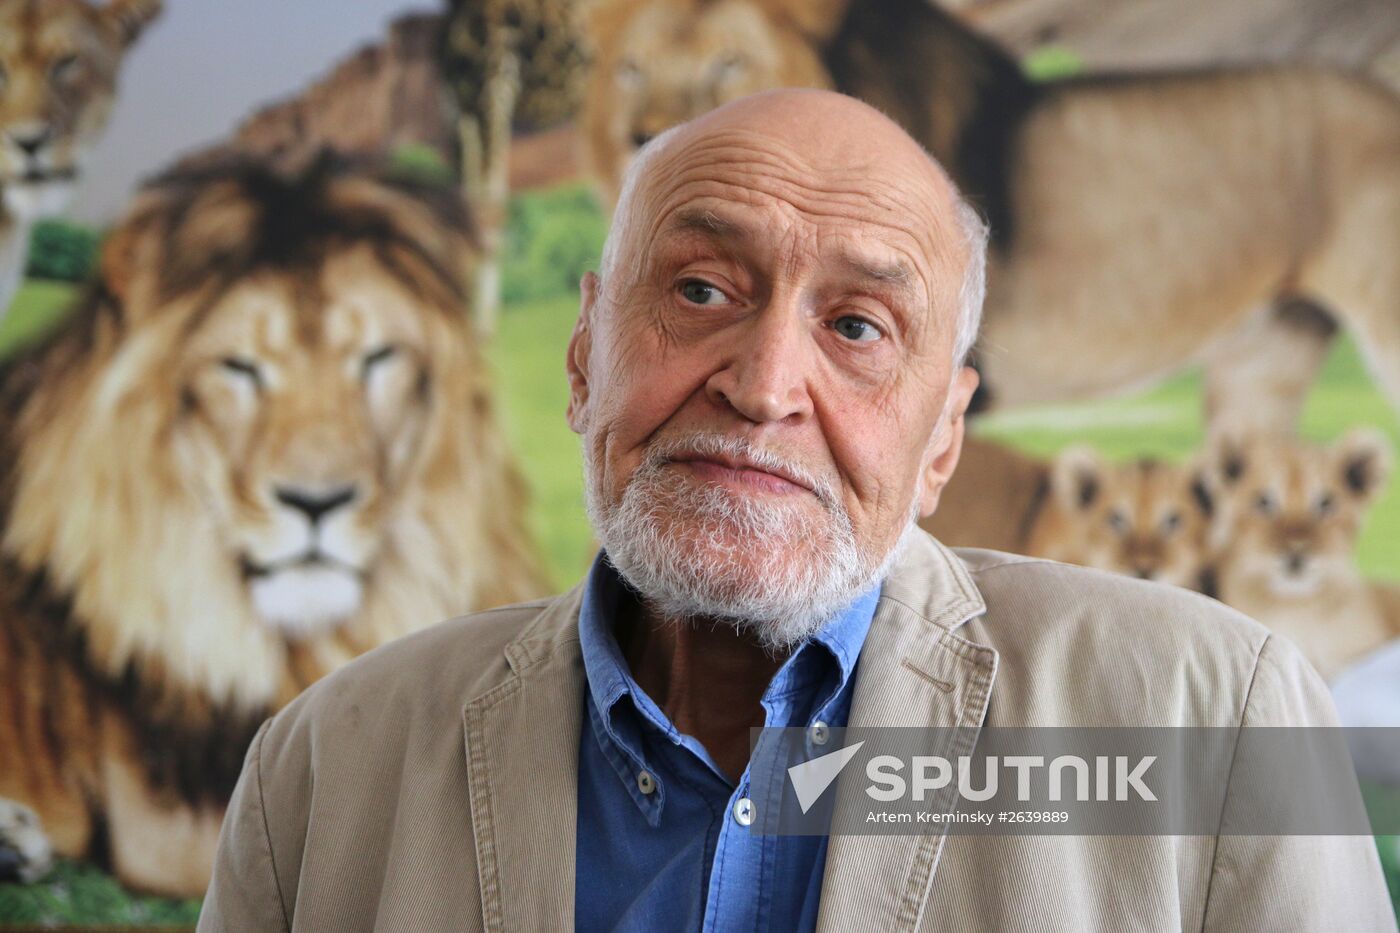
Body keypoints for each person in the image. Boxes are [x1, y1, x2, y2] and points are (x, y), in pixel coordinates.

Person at [197, 90, 1396, 932]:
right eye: (701, 288)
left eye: (858, 327)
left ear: (941, 441)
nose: (764, 384)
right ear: (581, 360)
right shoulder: (323, 771)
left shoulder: (1213, 724)